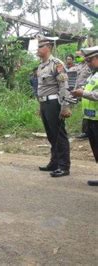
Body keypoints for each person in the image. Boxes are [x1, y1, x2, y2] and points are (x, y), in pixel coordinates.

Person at [36, 37, 73, 177]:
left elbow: (63, 86)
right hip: (45, 103)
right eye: (38, 46)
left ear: (49, 47)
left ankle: (64, 166)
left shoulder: (56, 64)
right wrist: (41, 106)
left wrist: (65, 106)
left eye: (41, 46)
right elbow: (41, 88)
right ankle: (55, 162)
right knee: (51, 135)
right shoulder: (41, 66)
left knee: (59, 135)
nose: (38, 49)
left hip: (54, 103)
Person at [71, 46, 98, 186]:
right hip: (91, 119)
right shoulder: (93, 75)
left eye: (90, 60)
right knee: (96, 150)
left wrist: (83, 93)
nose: (88, 63)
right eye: (86, 61)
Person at [74, 51, 93, 139]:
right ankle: (86, 131)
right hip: (81, 90)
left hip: (89, 91)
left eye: (79, 56)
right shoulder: (78, 66)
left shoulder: (90, 65)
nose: (77, 58)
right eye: (76, 56)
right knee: (85, 112)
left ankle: (86, 132)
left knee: (89, 112)